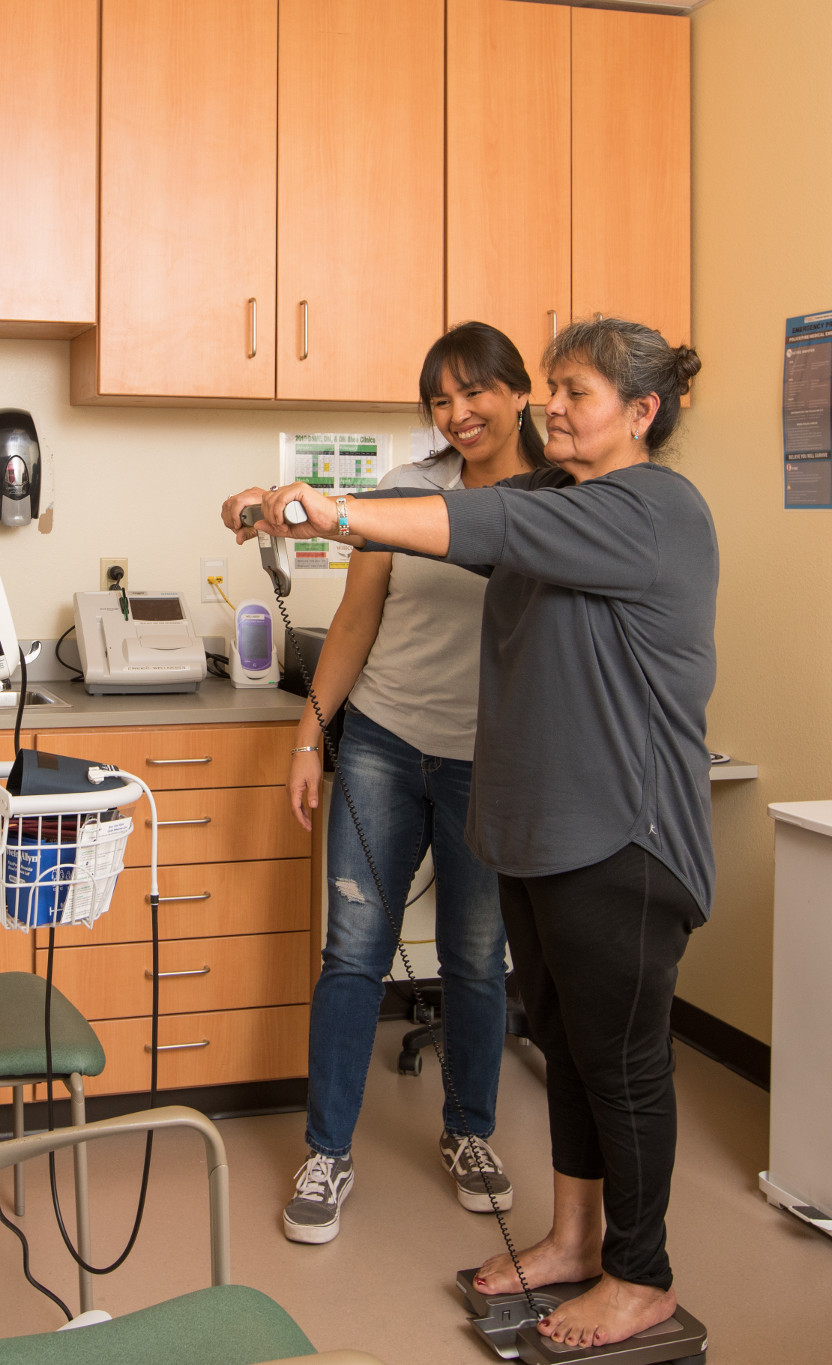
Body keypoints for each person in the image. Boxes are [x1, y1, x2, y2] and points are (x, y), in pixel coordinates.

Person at [223, 315, 714, 1350]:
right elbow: (434, 511)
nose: (550, 407)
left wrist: (333, 507)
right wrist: (287, 507)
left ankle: (640, 1274)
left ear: (640, 411)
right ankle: (575, 1238)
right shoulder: (558, 496)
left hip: (623, 838)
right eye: (552, 387)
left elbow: (475, 531)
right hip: (542, 834)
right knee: (572, 1056)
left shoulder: (651, 508)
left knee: (617, 1066)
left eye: (572, 393)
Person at [268, 323, 546, 1247]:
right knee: (353, 951)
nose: (459, 414)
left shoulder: (557, 500)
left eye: (476, 393)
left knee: (474, 959)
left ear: (519, 391)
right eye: (440, 399)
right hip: (384, 744)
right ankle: (328, 1152)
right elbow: (354, 622)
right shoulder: (402, 493)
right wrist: (312, 736)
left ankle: (469, 1133)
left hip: (491, 763)